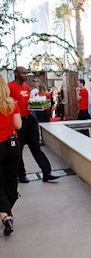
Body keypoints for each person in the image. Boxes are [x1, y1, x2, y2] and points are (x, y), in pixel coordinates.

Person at [8, 66, 59, 183]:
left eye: (26, 73)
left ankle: (47, 172)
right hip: (18, 122)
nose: (26, 76)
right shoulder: (10, 87)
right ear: (16, 74)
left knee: (36, 147)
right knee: (19, 150)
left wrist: (37, 105)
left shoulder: (26, 88)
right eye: (23, 73)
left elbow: (28, 104)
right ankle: (21, 175)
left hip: (29, 120)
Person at [0, 74, 22, 236]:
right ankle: (7, 214)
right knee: (11, 181)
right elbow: (18, 125)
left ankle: (5, 215)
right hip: (12, 146)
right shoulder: (12, 104)